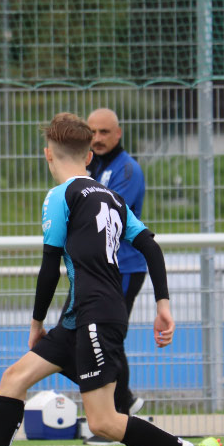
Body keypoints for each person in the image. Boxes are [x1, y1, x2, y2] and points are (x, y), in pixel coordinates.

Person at [0, 112, 224, 446]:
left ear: (48, 155)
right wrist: (163, 303)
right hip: (84, 314)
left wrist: (36, 323)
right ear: (89, 156)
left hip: (96, 315)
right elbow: (151, 246)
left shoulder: (60, 196)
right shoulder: (112, 198)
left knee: (105, 422)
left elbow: (50, 267)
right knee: (13, 379)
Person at [86, 107, 146, 418]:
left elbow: (103, 215)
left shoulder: (127, 171)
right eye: (92, 132)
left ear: (118, 134)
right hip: (100, 269)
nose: (97, 138)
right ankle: (124, 402)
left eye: (104, 132)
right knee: (94, 334)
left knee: (107, 336)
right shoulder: (91, 167)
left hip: (124, 267)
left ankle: (118, 408)